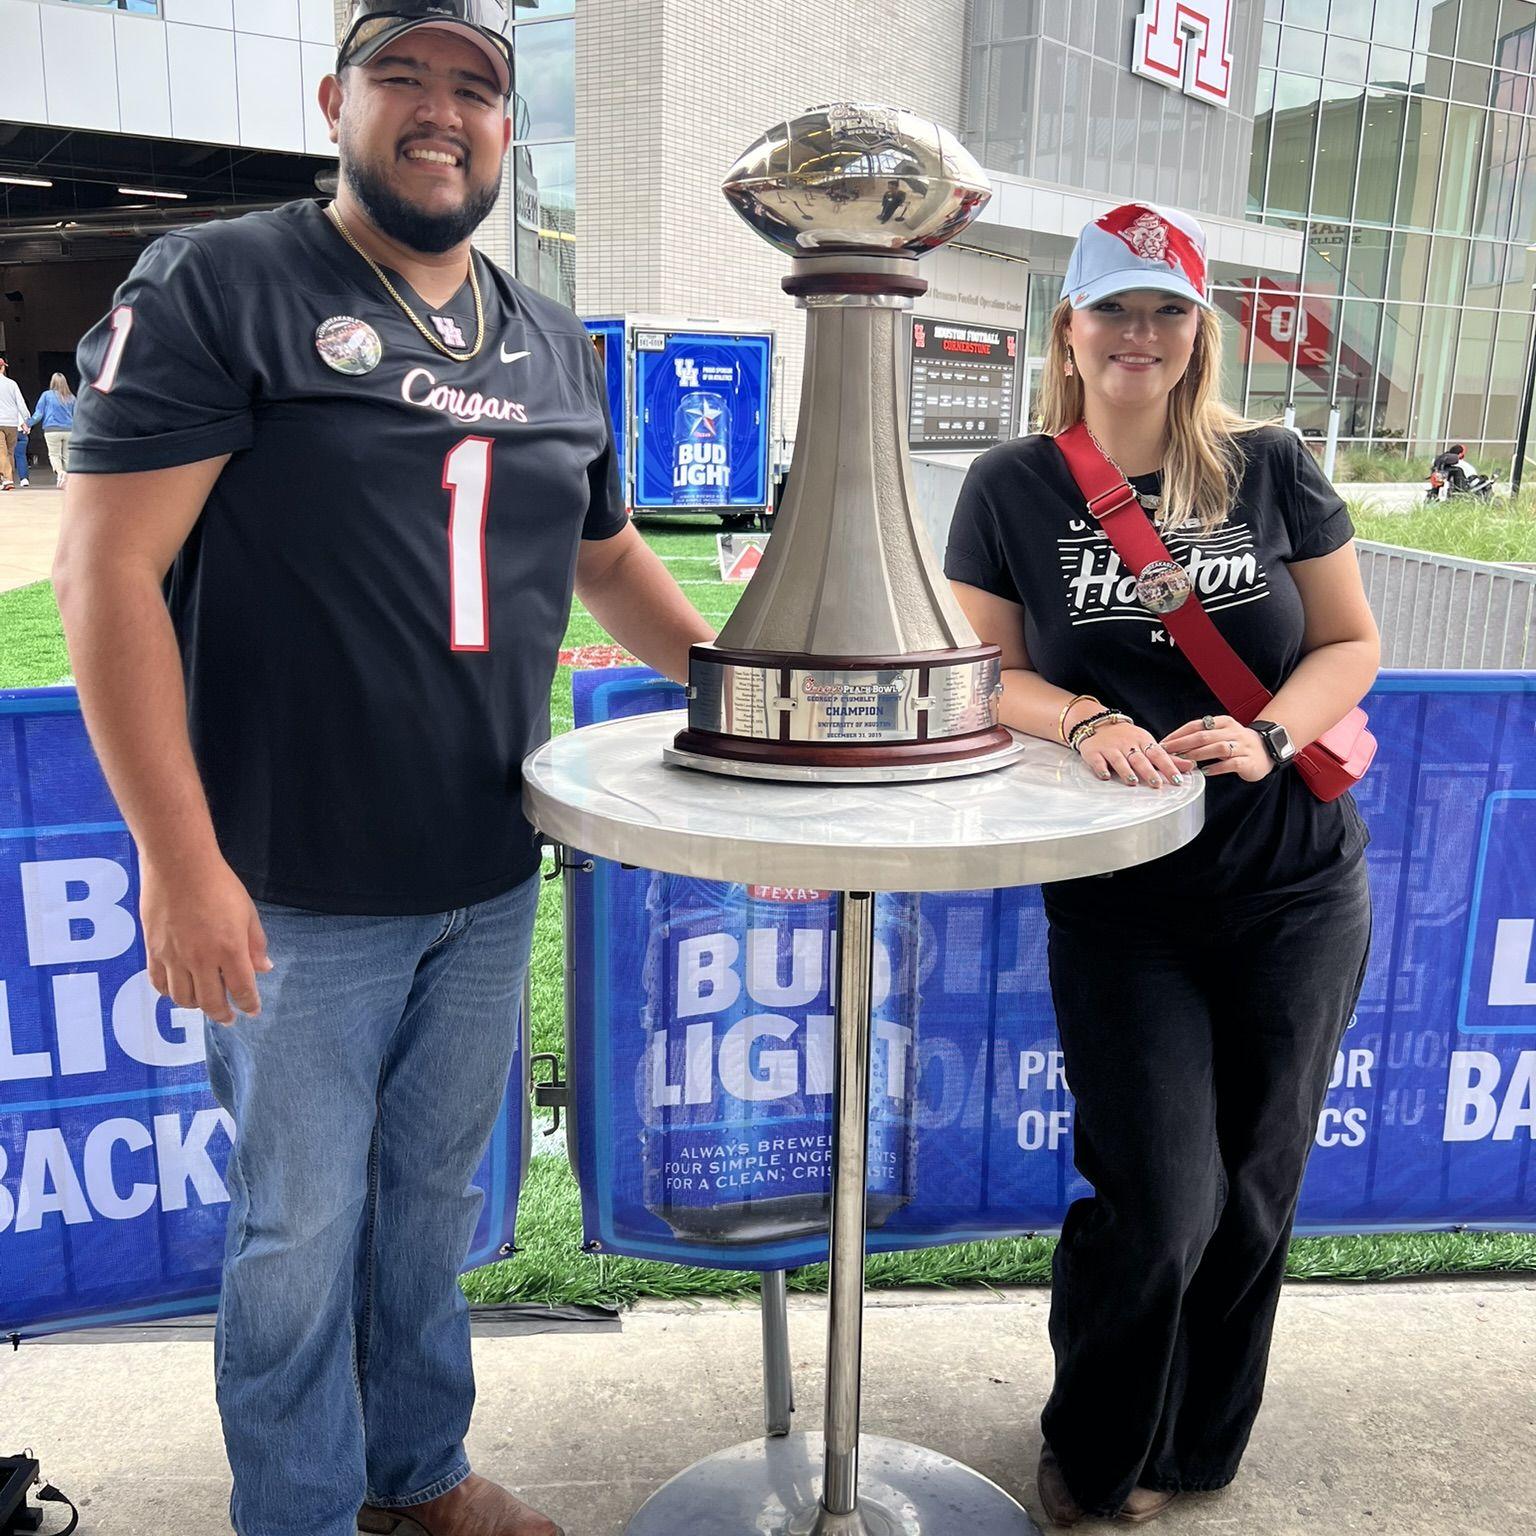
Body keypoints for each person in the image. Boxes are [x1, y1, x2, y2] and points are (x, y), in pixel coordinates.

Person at [54, 2, 713, 1533]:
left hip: (483, 869)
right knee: (297, 1235)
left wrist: (755, 695)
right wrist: (181, 865)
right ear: (333, 101)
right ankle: (295, 1511)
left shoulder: (551, 335)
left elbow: (607, 558)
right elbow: (106, 572)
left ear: (506, 127)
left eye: (473, 86)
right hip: (289, 886)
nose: (439, 109)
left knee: (428, 1208)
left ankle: (416, 1478)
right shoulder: (224, 282)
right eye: (400, 77)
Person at [944, 202, 1378, 1526]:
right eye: (1114, 310)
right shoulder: (1011, 485)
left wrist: (1265, 734)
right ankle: (1094, 1446)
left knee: (1255, 1189)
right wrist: (1084, 720)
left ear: (1200, 333)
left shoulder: (1271, 466)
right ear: (1068, 331)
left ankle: (1193, 1450)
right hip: (1123, 900)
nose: (1139, 334)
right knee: (1162, 1198)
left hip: (1295, 883)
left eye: (1166, 311)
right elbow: (982, 674)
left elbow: (1348, 642)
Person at [28, 371, 75, 487]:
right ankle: (68, 478)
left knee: (54, 455)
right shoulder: (71, 397)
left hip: (52, 430)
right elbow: (77, 415)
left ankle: (60, 473)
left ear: (52, 382)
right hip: (69, 430)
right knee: (67, 455)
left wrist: (28, 423)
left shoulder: (46, 395)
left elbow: (39, 413)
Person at [0, 357, 29, 490]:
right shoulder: (12, 384)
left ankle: (7, 479)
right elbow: (21, 403)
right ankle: (8, 478)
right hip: (12, 423)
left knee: (2, 452)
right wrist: (26, 420)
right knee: (10, 452)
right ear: (3, 368)